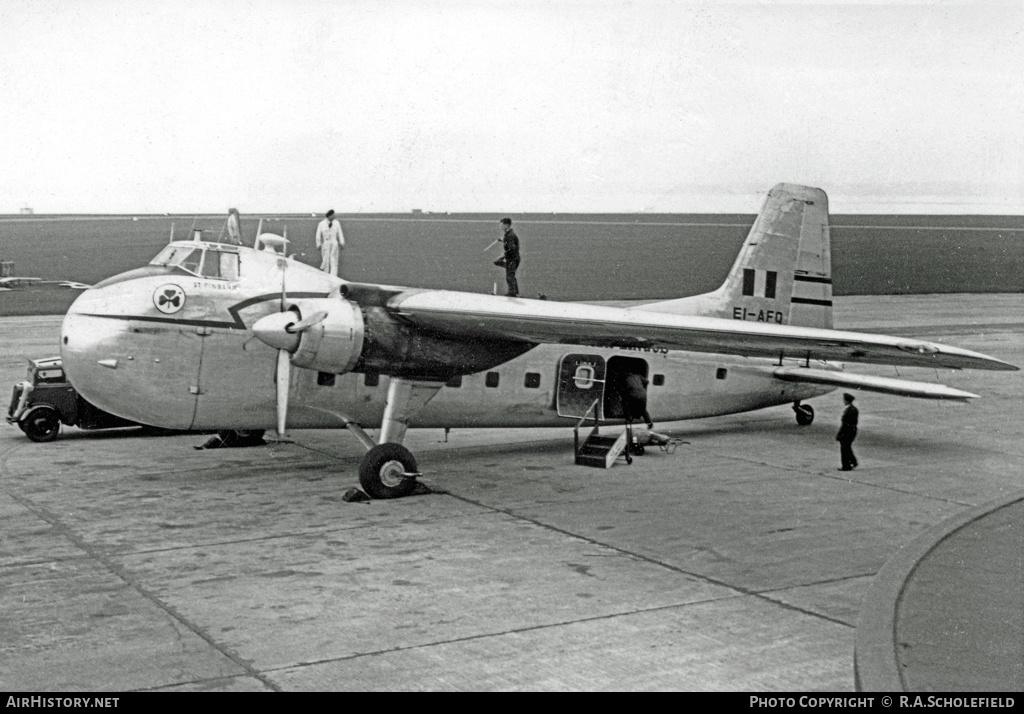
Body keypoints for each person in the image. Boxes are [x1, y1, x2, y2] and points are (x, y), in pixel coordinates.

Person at [494, 217, 521, 297]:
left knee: (510, 276)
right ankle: (514, 292)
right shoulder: (509, 234)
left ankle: (512, 293)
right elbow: (509, 242)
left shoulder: (510, 235)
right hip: (513, 258)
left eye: (502, 226)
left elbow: (511, 249)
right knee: (511, 274)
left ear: (506, 225)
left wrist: (502, 257)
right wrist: (503, 240)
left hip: (512, 258)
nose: (501, 227)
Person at [315, 209, 345, 276]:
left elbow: (340, 233)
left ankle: (333, 276)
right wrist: (318, 244)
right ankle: (326, 276)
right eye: (333, 215)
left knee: (333, 260)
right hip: (326, 243)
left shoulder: (337, 223)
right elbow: (318, 235)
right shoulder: (321, 224)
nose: (334, 216)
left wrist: (342, 242)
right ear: (329, 216)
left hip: (334, 243)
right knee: (325, 261)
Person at [836, 393, 859, 471]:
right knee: (847, 447)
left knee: (844, 448)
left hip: (848, 431)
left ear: (847, 401)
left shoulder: (850, 410)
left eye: (844, 400)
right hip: (850, 430)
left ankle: (846, 466)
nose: (843, 401)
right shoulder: (852, 409)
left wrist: (840, 433)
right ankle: (853, 461)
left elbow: (846, 423)